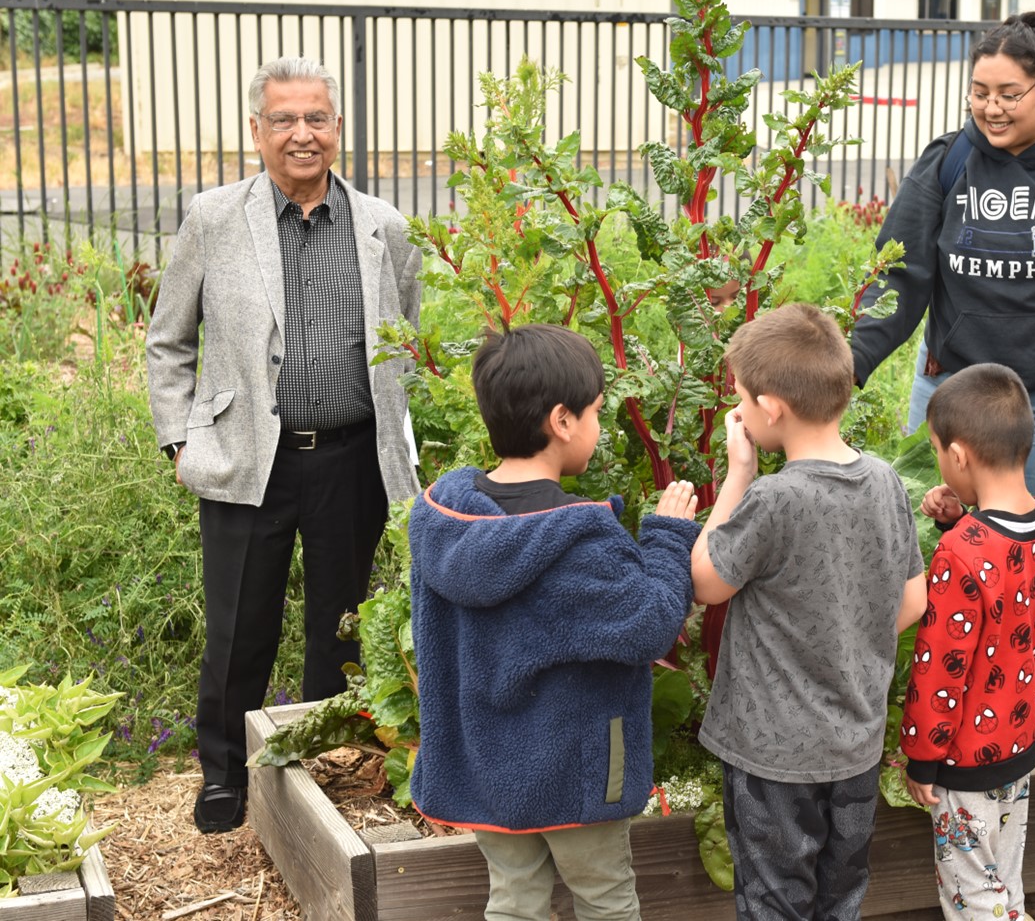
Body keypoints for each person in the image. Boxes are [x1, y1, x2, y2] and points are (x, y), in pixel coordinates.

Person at [146, 56, 422, 833]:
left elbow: (412, 345)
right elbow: (167, 341)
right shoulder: (213, 218)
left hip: (351, 459)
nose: (302, 134)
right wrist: (179, 440)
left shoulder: (384, 229)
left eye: (317, 118)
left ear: (338, 127)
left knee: (339, 627)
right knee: (240, 625)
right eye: (284, 120)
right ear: (257, 131)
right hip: (243, 458)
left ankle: (315, 770)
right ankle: (226, 775)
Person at [408, 324, 700, 920]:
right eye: (595, 412)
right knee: (606, 900)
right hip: (580, 773)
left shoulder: (443, 518)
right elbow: (651, 625)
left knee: (513, 903)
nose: (599, 424)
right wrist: (669, 539)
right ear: (562, 421)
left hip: (487, 769)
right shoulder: (580, 539)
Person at [850, 11, 1035, 515]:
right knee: (934, 543)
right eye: (979, 92)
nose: (991, 108)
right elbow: (898, 276)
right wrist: (850, 366)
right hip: (950, 393)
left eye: (1009, 94)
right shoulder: (947, 162)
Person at [690, 303, 928, 921]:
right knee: (838, 897)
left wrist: (738, 473)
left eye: (739, 398)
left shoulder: (773, 499)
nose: (735, 412)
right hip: (855, 745)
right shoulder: (884, 482)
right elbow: (913, 600)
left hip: (774, 758)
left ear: (772, 408)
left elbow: (705, 581)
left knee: (775, 901)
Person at [902, 363, 1035, 921]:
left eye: (937, 450)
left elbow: (938, 668)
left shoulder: (959, 555)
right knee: (1004, 878)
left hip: (965, 755)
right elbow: (1008, 588)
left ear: (960, 455)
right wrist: (963, 519)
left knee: (973, 894)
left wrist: (922, 758)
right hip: (1018, 735)